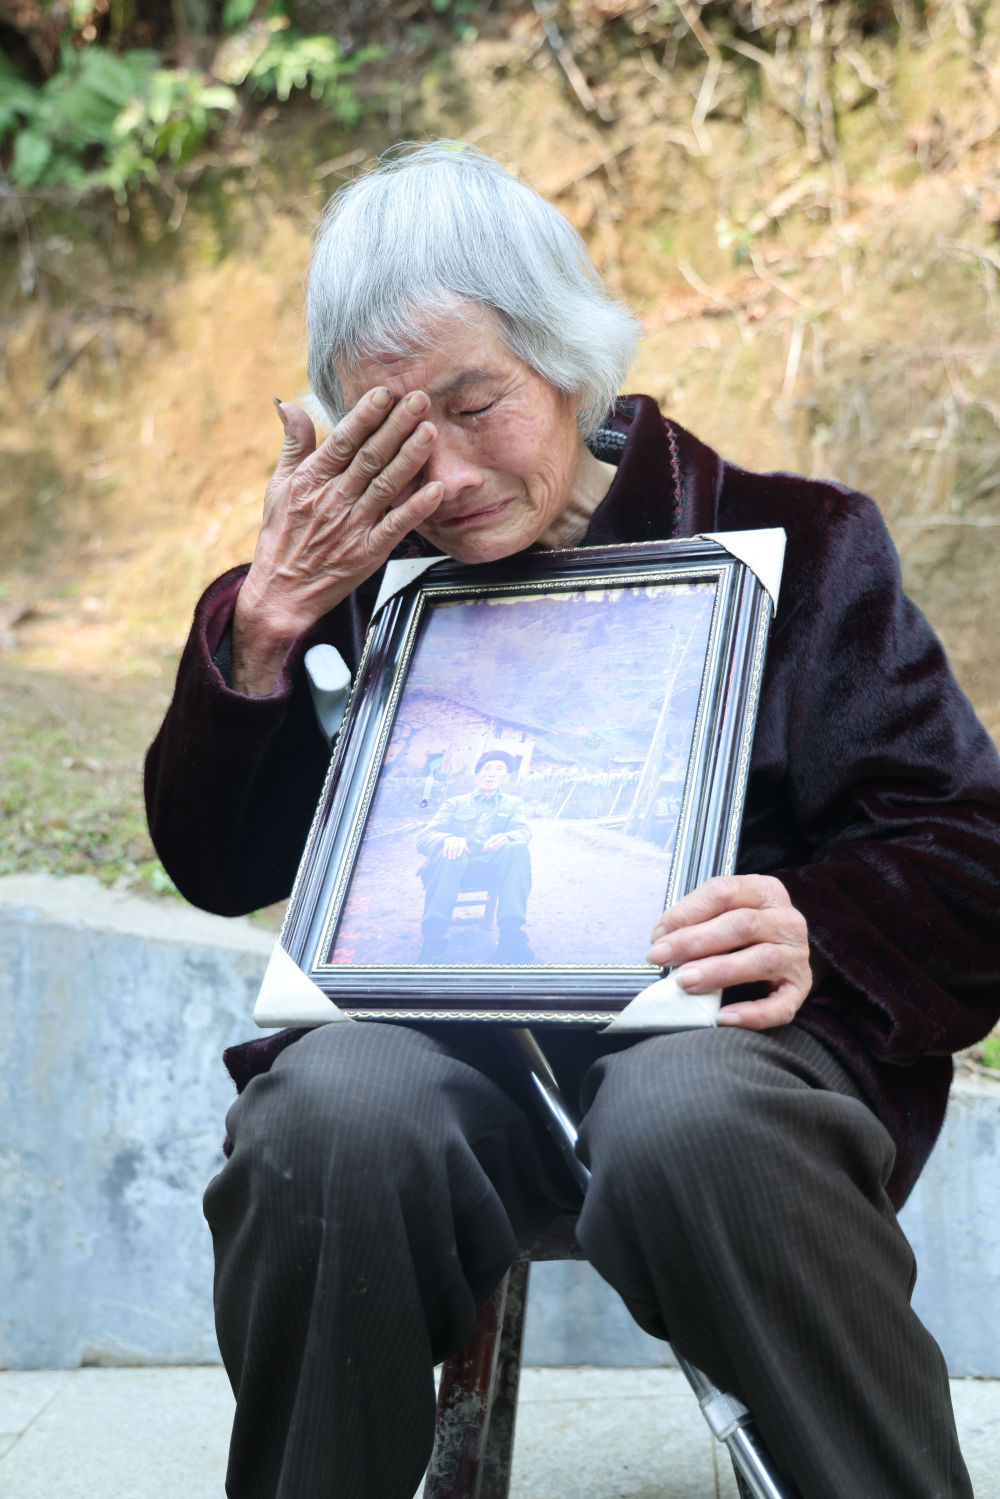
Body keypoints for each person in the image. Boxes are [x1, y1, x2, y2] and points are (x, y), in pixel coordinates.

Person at [144, 143, 1000, 1499]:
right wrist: (263, 624)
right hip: (450, 1070)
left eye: (478, 402)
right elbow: (211, 861)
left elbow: (969, 851)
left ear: (567, 360)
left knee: (687, 1111)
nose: (450, 467)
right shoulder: (350, 589)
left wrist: (821, 925)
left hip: (733, 1064)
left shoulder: (800, 544)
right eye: (388, 427)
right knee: (327, 1112)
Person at [416, 748, 533, 962]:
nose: (491, 774)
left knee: (518, 849)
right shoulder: (455, 802)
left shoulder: (513, 804)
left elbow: (523, 831)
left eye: (499, 770)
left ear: (506, 777)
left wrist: (508, 837)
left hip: (491, 869)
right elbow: (425, 836)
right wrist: (447, 839)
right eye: (486, 769)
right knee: (452, 853)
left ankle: (511, 939)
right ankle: (433, 941)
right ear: (477, 775)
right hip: (454, 870)